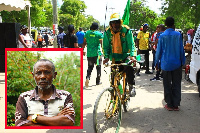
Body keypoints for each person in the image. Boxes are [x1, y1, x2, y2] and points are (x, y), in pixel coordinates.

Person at [15, 59, 75, 126]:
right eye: (38, 73)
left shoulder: (66, 96)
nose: (43, 76)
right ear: (33, 76)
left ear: (54, 75)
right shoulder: (24, 97)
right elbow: (19, 124)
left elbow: (69, 122)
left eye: (47, 72)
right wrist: (56, 119)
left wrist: (35, 118)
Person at [155, 17, 185, 111]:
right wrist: (183, 62)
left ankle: (169, 104)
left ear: (166, 24)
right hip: (177, 63)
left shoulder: (162, 36)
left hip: (166, 64)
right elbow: (181, 50)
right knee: (176, 84)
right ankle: (176, 105)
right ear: (173, 24)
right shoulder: (178, 35)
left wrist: (156, 62)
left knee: (167, 84)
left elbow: (159, 51)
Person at [103, 13, 137, 97]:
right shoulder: (107, 33)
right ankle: (116, 97)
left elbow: (131, 44)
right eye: (113, 23)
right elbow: (105, 46)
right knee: (114, 80)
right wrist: (106, 57)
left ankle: (131, 86)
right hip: (114, 58)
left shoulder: (126, 31)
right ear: (110, 24)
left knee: (129, 68)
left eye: (117, 22)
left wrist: (132, 56)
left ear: (120, 22)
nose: (115, 25)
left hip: (125, 56)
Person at [82, 22, 103, 87]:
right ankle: (98, 81)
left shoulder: (87, 33)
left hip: (89, 54)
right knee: (98, 67)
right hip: (97, 54)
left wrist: (82, 50)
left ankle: (87, 78)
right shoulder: (99, 34)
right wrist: (104, 52)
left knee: (90, 67)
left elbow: (84, 43)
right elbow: (102, 44)